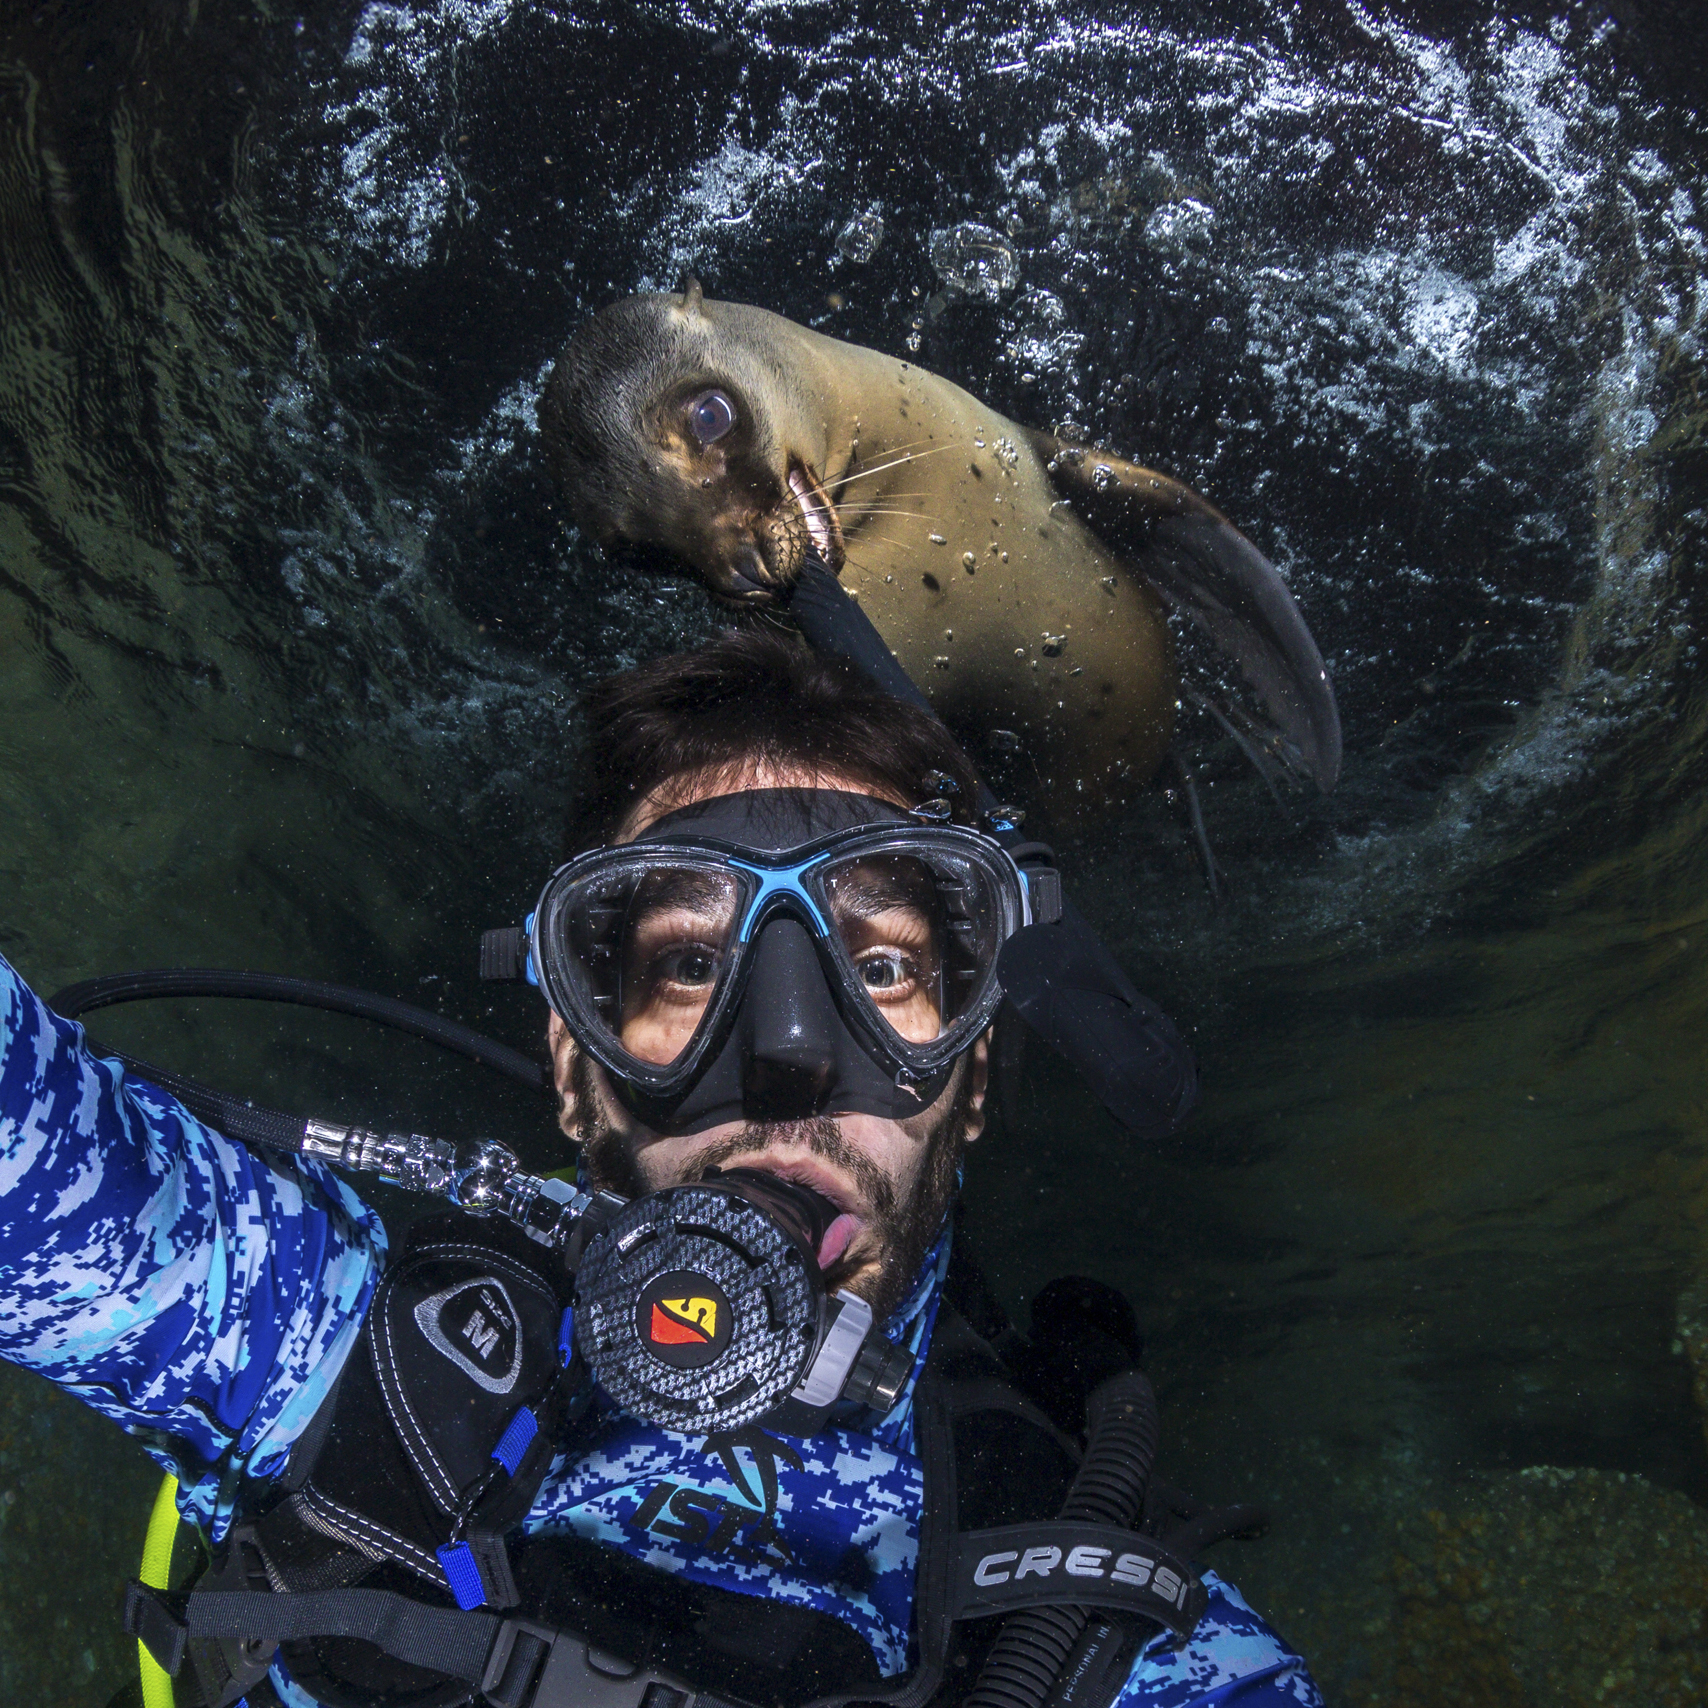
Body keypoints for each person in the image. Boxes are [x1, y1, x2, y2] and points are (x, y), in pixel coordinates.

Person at [0, 629, 1320, 1708]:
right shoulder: (346, 1369)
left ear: (971, 1083)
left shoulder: (1125, 1648)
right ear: (576, 1067)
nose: (792, 1061)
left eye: (879, 969)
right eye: (692, 966)